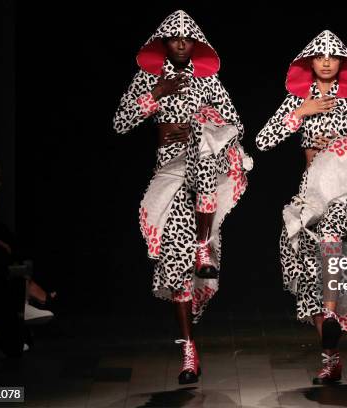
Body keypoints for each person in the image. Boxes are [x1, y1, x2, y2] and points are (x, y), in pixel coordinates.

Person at [113, 10, 252, 384]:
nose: (179, 43)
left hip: (202, 165)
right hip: (170, 173)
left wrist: (194, 127)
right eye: (172, 38)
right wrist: (155, 95)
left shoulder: (208, 80)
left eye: (185, 38)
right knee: (175, 262)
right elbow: (120, 122)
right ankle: (188, 349)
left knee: (203, 150)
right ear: (163, 42)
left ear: (194, 45)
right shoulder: (149, 77)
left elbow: (235, 124)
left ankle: (203, 245)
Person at [256, 30, 347, 384]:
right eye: (318, 56)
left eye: (332, 56)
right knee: (308, 273)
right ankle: (330, 356)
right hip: (311, 192)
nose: (325, 61)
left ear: (341, 63)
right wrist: (300, 112)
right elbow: (262, 141)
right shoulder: (299, 99)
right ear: (309, 61)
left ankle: (332, 312)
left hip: (346, 191)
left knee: (330, 235)